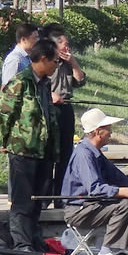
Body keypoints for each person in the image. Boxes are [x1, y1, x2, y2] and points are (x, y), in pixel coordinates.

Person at [60, 108, 128, 250]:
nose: (111, 132)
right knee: (125, 204)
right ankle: (108, 250)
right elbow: (95, 189)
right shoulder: (83, 155)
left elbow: (119, 177)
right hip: (78, 210)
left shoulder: (95, 152)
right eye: (108, 129)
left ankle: (125, 249)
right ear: (98, 132)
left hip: (94, 206)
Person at [0, 36, 59, 252]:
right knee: (22, 200)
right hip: (23, 150)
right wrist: (7, 141)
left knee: (39, 198)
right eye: (55, 61)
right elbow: (5, 113)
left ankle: (34, 238)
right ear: (43, 59)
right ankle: (21, 243)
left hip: (44, 152)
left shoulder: (45, 83)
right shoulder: (21, 81)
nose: (56, 66)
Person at [40, 22, 85, 199]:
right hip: (51, 110)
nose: (67, 47)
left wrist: (72, 61)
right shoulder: (46, 61)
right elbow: (37, 83)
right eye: (64, 44)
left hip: (66, 108)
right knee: (50, 152)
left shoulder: (67, 62)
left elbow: (80, 79)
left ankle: (61, 195)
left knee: (66, 153)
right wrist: (50, 95)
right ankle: (45, 196)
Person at [1, 21, 39, 87]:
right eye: (35, 38)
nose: (38, 41)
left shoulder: (27, 57)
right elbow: (7, 89)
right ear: (24, 39)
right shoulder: (15, 60)